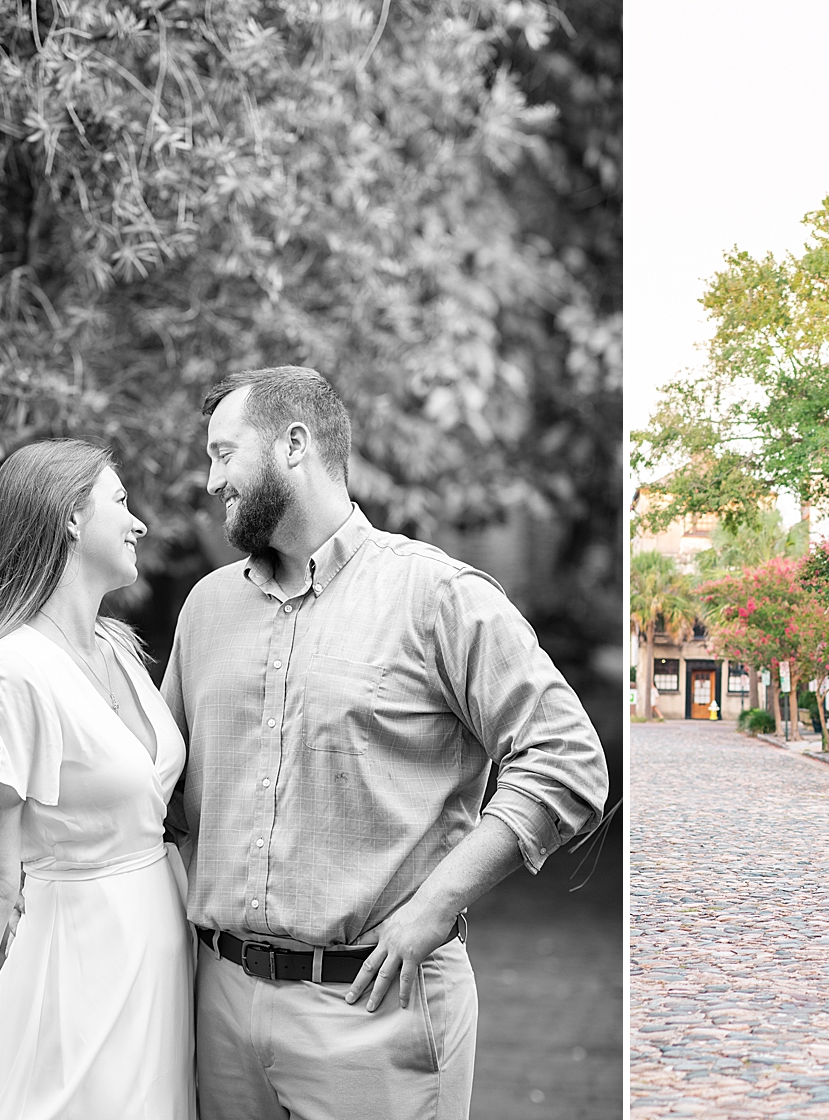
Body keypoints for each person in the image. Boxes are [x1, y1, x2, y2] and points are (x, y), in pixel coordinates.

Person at [163, 366, 609, 1120]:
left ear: (294, 445)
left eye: (223, 453)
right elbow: (159, 790)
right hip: (220, 1005)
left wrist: (440, 903)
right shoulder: (206, 609)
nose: (211, 481)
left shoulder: (437, 597)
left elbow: (567, 758)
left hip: (375, 1007)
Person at [0, 441, 195, 1120]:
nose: (139, 523)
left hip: (160, 961)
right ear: (69, 517)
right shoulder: (9, 674)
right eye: (120, 502)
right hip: (77, 971)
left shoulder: (119, 648)